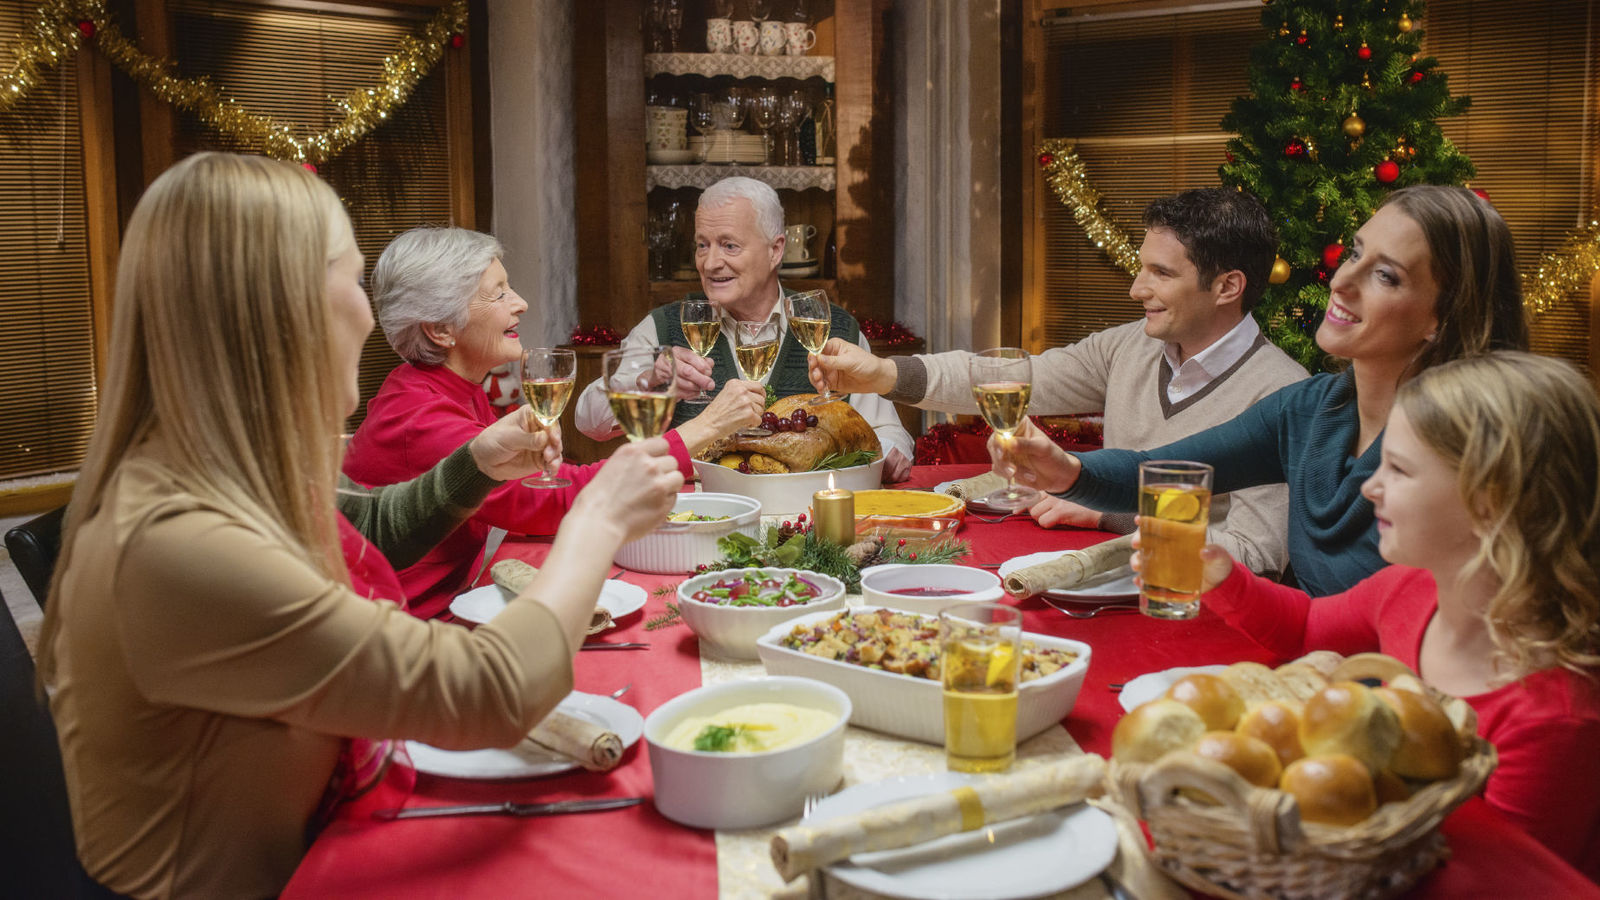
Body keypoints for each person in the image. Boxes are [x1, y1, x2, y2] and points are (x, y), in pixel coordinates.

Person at [36, 152, 686, 899]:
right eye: (350, 281)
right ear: (282, 314)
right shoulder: (176, 542)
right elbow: (492, 692)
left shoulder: (212, 469)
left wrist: (476, 460)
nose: (370, 314)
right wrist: (597, 519)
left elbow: (370, 522)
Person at [1158, 352, 1600, 878]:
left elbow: (1503, 874)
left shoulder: (1555, 716)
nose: (1370, 487)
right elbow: (1306, 627)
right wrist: (1223, 578)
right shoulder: (1411, 589)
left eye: (1400, 469)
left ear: (1489, 502)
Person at [991, 185, 1529, 596]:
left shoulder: (1465, 447)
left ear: (1442, 316)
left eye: (1385, 275)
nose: (1341, 281)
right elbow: (1164, 471)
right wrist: (1068, 472)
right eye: (1355, 254)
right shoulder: (1312, 408)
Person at [808, 187, 1306, 577]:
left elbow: (1253, 556)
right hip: (1107, 576)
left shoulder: (1283, 394)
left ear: (1228, 287)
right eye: (1140, 268)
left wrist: (1107, 512)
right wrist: (882, 374)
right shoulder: (1131, 346)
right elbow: (1009, 377)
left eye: (1161, 273)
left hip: (1192, 607)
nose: (1137, 290)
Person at [343, 226, 766, 618]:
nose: (521, 303)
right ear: (440, 329)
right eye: (499, 293)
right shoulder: (418, 417)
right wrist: (708, 426)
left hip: (450, 609)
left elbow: (540, 491)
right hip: (412, 636)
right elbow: (557, 503)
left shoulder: (451, 389)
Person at [573, 176, 916, 481]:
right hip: (699, 518)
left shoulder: (832, 328)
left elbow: (889, 433)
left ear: (775, 250)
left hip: (808, 520)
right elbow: (588, 420)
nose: (710, 263)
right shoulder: (664, 326)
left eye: (729, 245)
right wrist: (650, 381)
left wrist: (886, 453)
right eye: (702, 245)